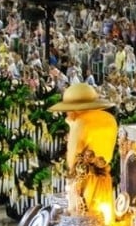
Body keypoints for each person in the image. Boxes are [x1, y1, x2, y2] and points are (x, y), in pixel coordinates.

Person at [49, 83, 119, 216]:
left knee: (83, 220)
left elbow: (72, 160)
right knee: (103, 220)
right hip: (104, 178)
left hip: (85, 182)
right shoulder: (110, 119)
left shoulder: (81, 123)